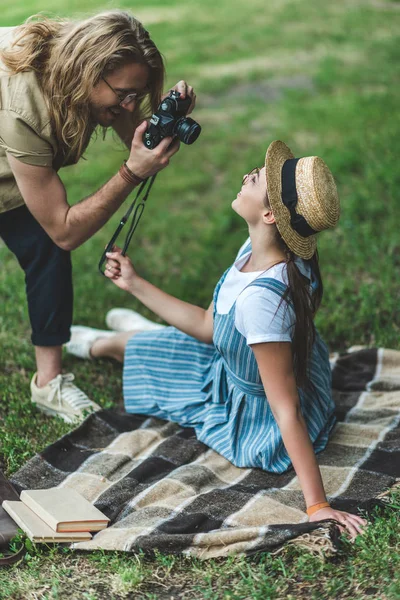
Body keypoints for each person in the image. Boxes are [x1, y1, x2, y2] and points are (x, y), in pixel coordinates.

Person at [66, 140, 367, 537]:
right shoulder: (263, 249)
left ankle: (101, 344)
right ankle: (145, 333)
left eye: (256, 178)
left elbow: (286, 409)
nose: (246, 175)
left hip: (254, 412)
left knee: (136, 349)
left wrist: (318, 505)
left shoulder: (262, 302)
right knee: (172, 344)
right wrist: (135, 283)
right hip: (242, 356)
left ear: (270, 214)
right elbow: (210, 324)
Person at [0, 11, 195, 422]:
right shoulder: (25, 107)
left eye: (136, 94)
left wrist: (161, 125)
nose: (129, 105)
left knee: (45, 254)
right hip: (9, 149)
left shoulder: (82, 63)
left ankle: (48, 385)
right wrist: (131, 173)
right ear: (89, 72)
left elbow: (131, 132)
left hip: (14, 161)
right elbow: (65, 230)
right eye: (124, 94)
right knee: (51, 239)